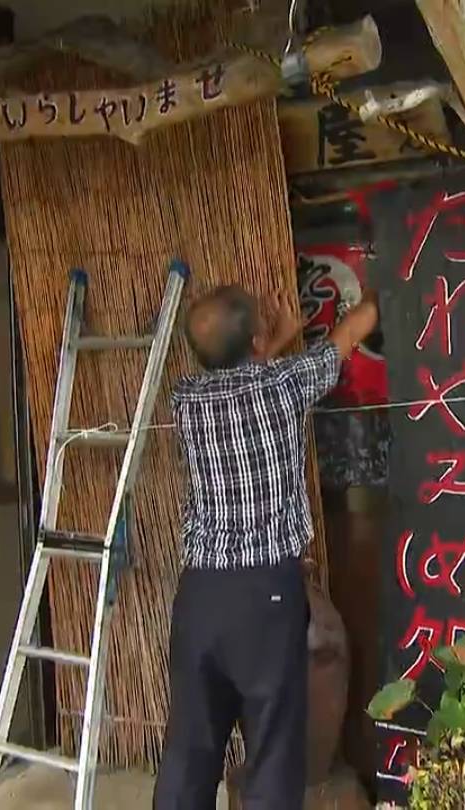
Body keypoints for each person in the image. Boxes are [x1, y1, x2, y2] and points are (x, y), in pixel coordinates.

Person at [153, 282, 379, 810]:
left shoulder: (186, 398)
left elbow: (238, 378)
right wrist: (377, 283)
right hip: (265, 596)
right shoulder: (282, 386)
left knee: (190, 750)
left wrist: (268, 342)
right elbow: (353, 329)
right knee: (275, 750)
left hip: (200, 597)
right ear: (256, 339)